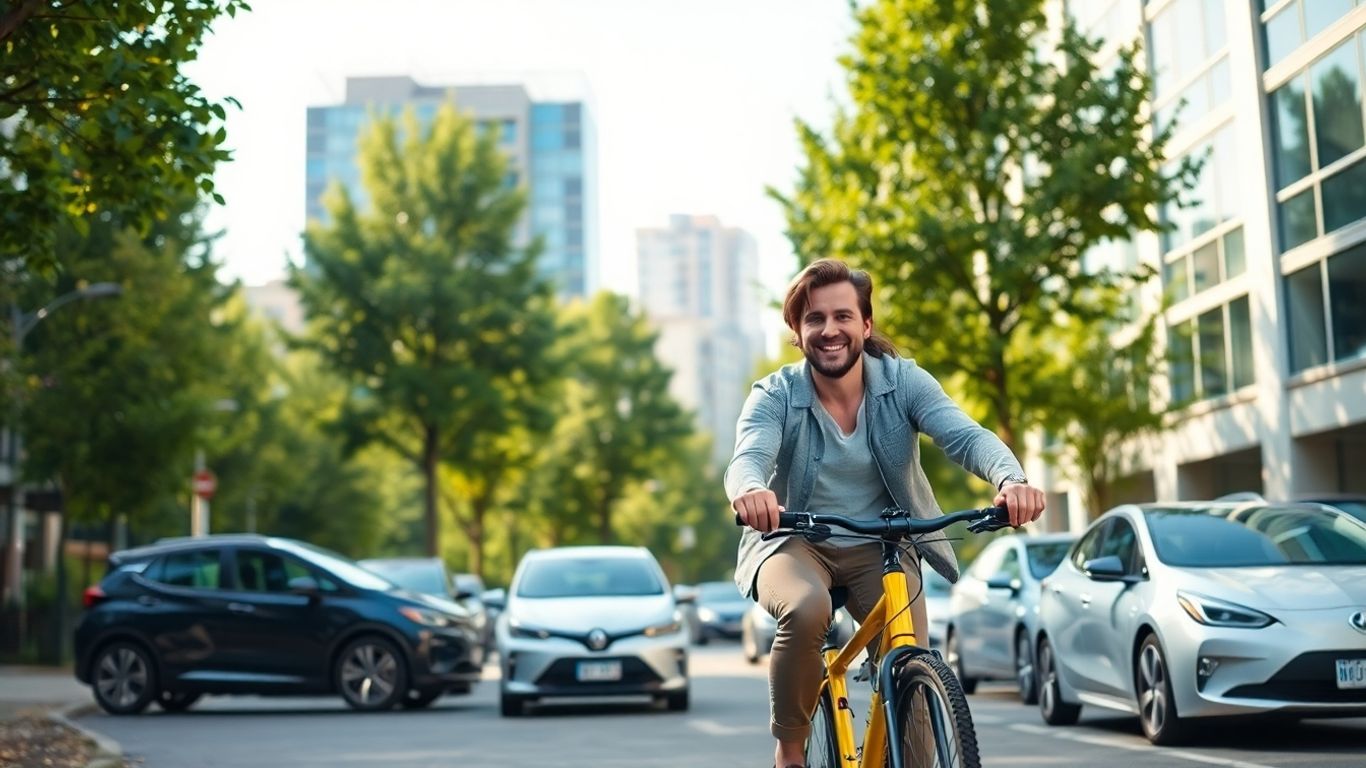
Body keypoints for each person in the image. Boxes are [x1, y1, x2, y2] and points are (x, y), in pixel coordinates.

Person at [726, 258, 1044, 768]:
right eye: (815, 319)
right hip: (793, 541)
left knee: (910, 661)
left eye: (843, 317)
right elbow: (750, 455)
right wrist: (751, 491)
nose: (830, 330)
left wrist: (1011, 479)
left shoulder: (904, 383)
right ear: (797, 330)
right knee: (808, 609)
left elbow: (963, 435)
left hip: (883, 544)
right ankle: (790, 752)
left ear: (865, 325)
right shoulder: (776, 395)